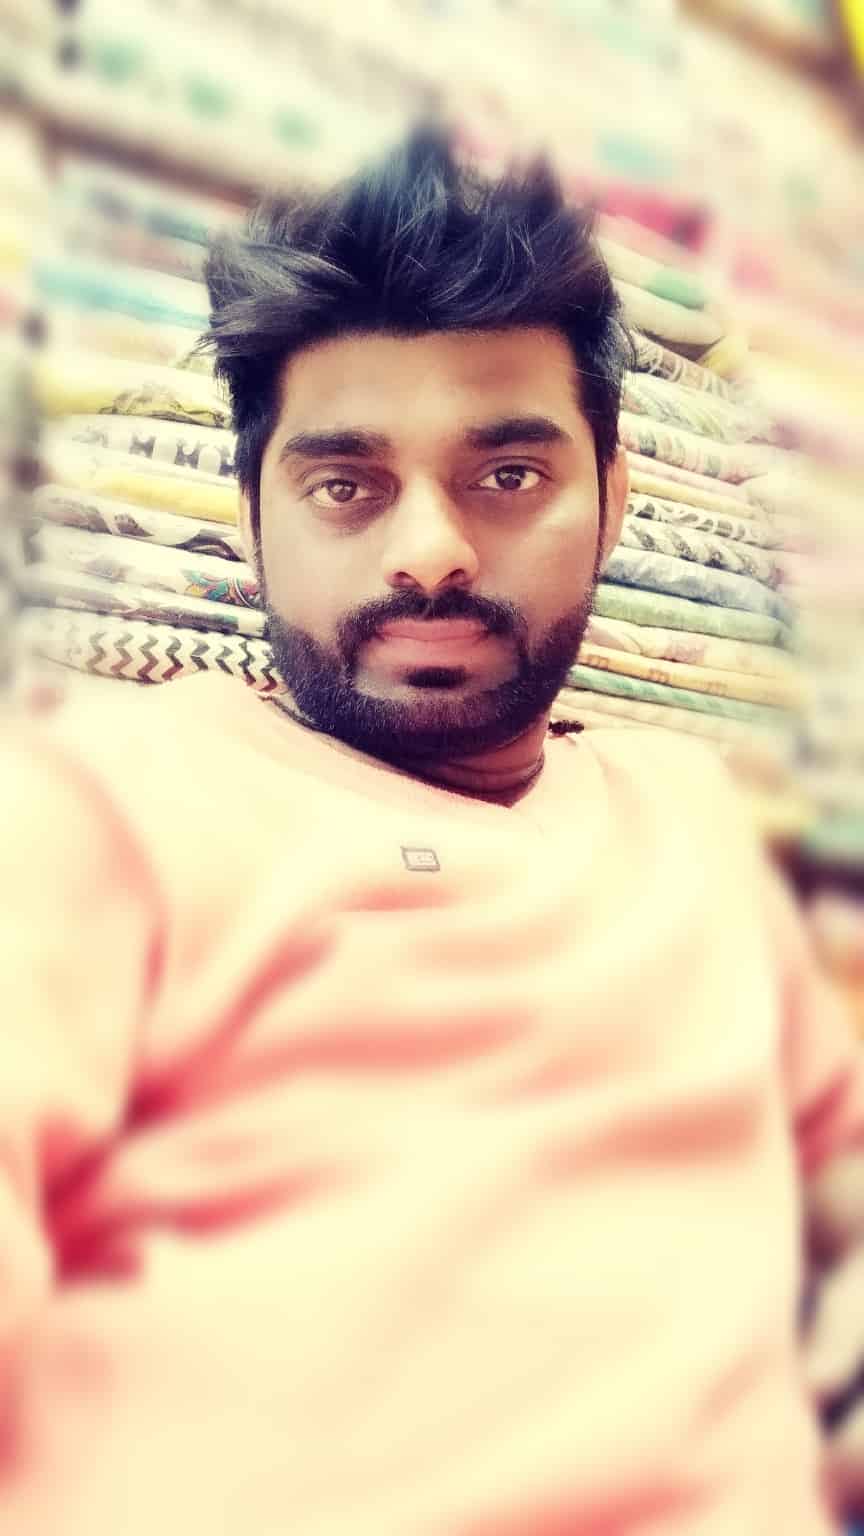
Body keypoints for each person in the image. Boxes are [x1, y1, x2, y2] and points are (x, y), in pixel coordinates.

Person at [3, 129, 863, 1535]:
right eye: (345, 485)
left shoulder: (689, 819)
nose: (430, 554)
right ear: (251, 515)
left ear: (614, 500)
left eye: (508, 475)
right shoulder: (106, 804)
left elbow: (840, 1154)